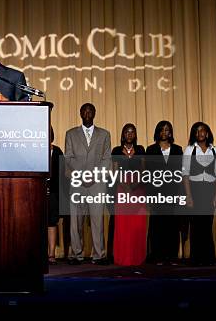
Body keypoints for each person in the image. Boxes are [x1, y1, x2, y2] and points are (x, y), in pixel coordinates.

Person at [65, 103, 112, 265]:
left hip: (96, 183)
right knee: (75, 221)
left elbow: (107, 159)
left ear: (94, 113)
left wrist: (93, 175)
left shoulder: (104, 135)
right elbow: (69, 157)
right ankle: (76, 254)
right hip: (78, 182)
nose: (87, 113)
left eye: (90, 110)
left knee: (97, 221)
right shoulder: (70, 134)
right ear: (80, 113)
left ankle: (98, 254)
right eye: (84, 110)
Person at [182, 122, 216, 266]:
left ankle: (208, 258)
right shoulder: (189, 150)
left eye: (203, 130)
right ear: (194, 133)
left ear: (207, 133)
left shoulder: (215, 150)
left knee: (207, 224)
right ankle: (196, 258)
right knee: (195, 225)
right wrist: (188, 196)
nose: (200, 133)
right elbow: (185, 174)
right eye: (197, 131)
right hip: (194, 189)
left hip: (210, 190)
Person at [146, 121, 184, 265]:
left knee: (173, 226)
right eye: (161, 129)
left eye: (167, 129)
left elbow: (181, 173)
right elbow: (148, 175)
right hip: (156, 193)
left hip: (173, 193)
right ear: (157, 132)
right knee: (157, 226)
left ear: (170, 132)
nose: (164, 132)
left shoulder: (178, 150)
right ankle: (157, 256)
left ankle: (172, 256)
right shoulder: (151, 150)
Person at [112, 124, 147, 266]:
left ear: (135, 135)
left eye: (132, 132)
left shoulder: (140, 149)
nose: (129, 134)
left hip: (138, 190)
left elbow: (144, 169)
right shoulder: (116, 150)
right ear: (122, 135)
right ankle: (122, 257)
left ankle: (137, 257)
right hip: (122, 189)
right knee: (123, 224)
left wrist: (135, 184)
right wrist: (124, 184)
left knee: (137, 224)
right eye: (127, 132)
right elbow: (113, 171)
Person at [47, 126, 64, 265]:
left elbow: (63, 173)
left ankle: (51, 254)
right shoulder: (35, 149)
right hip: (37, 193)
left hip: (54, 193)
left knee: (52, 222)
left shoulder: (57, 151)